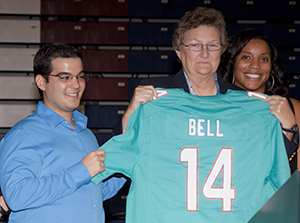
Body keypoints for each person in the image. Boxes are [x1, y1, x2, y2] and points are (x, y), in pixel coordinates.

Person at [0, 43, 126, 223]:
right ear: (41, 82)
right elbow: (16, 195)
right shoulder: (24, 133)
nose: (76, 85)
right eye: (65, 77)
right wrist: (81, 171)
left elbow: (94, 192)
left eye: (80, 76)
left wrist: (128, 168)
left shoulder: (85, 133)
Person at [113, 7, 242, 135]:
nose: (205, 53)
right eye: (195, 45)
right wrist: (132, 112)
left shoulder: (239, 99)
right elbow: (119, 149)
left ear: (222, 50)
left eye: (213, 45)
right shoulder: (155, 94)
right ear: (179, 51)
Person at [218, 29, 300, 172]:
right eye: (246, 57)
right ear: (232, 63)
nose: (255, 66)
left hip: (284, 193)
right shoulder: (217, 108)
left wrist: (290, 127)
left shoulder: (293, 108)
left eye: (264, 59)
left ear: (271, 66)